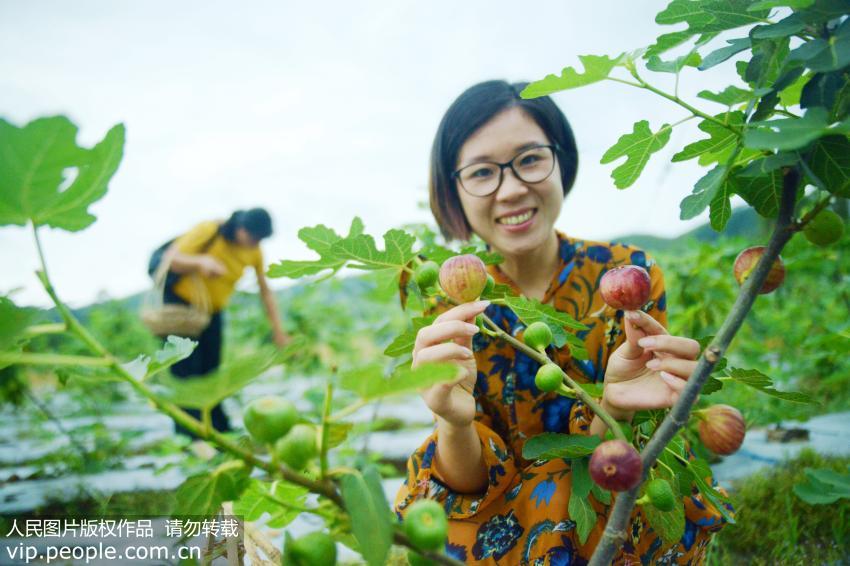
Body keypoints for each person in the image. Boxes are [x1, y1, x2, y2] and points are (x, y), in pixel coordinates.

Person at [393, 81, 732, 564]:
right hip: (501, 506)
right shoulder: (451, 305)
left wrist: (617, 405)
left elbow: (626, 454)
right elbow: (467, 485)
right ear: (454, 190)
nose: (510, 189)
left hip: (610, 478)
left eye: (530, 159)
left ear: (562, 161)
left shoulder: (627, 276)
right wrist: (452, 420)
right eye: (483, 172)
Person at [160, 207, 290, 438]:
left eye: (260, 239)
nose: (254, 243)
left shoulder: (255, 250)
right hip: (181, 307)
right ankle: (187, 435)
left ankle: (219, 431)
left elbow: (265, 292)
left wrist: (278, 331)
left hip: (213, 312)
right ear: (240, 228)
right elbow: (171, 258)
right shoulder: (210, 230)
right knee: (185, 371)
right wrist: (201, 262)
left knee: (212, 372)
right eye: (252, 237)